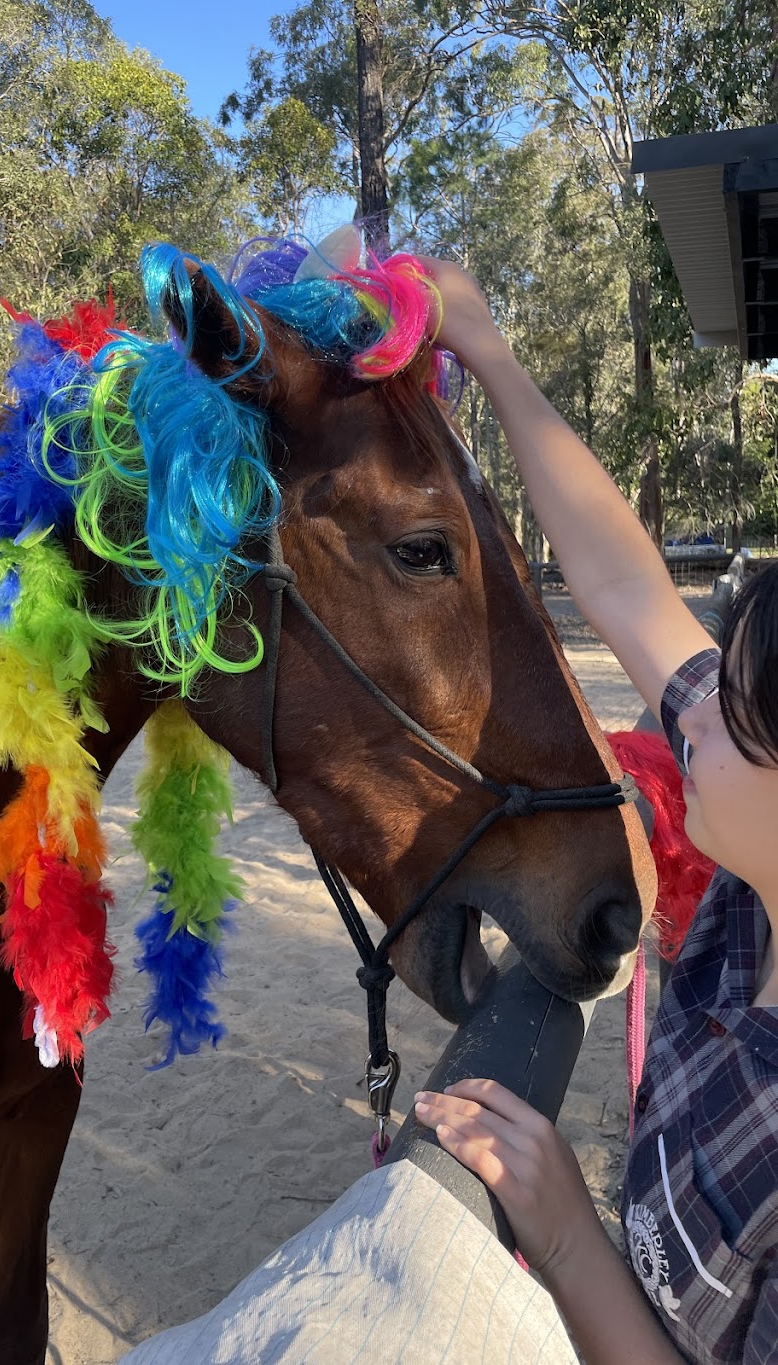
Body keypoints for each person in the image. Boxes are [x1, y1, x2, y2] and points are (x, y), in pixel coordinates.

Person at [413, 260, 778, 1365]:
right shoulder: (751, 911)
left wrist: (567, 1237)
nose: (689, 711)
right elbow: (626, 589)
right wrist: (487, 347)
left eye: (737, 703)